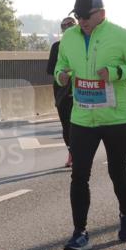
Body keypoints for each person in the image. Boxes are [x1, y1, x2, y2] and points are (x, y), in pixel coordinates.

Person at [54, 0, 126, 250]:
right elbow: (60, 65)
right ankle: (80, 232)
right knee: (79, 175)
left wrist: (117, 73)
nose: (82, 21)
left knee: (118, 171)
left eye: (87, 16)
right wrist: (61, 75)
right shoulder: (69, 37)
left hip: (116, 118)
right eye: (78, 16)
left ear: (101, 13)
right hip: (83, 117)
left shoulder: (120, 36)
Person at [47, 16, 78, 166]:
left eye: (70, 25)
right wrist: (62, 73)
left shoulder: (85, 45)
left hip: (82, 92)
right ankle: (72, 153)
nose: (67, 28)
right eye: (64, 26)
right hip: (62, 92)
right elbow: (51, 70)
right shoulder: (56, 47)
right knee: (66, 125)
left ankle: (81, 153)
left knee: (80, 126)